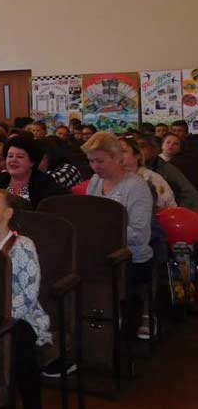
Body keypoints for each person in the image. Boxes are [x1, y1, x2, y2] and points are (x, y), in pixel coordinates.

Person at [0, 188, 51, 407]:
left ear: (8, 213)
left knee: (20, 343)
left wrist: (2, 316)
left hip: (20, 316)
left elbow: (29, 294)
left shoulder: (23, 245)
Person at [82, 132, 154, 339]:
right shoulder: (95, 181)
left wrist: (102, 233)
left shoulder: (137, 187)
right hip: (100, 252)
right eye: (91, 161)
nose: (95, 167)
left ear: (117, 158)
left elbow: (139, 234)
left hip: (132, 257)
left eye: (100, 161)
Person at [0, 136, 68, 208]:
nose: (13, 160)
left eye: (20, 156)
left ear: (32, 162)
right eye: (10, 156)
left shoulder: (46, 185)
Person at [137, 134, 198, 209]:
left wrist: (177, 211)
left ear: (155, 149)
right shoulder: (135, 169)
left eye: (142, 146)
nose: (137, 151)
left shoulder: (168, 169)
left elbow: (191, 195)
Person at [119, 136, 176, 211]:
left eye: (123, 151)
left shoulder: (152, 179)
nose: (117, 154)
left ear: (137, 156)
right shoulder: (107, 178)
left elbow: (170, 209)